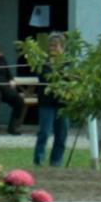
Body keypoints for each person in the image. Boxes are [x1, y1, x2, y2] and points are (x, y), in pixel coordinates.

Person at [33, 32, 70, 167]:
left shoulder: (69, 63)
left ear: (63, 47)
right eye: (51, 46)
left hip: (63, 103)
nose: (53, 48)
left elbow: (70, 80)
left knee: (61, 135)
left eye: (56, 46)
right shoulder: (43, 62)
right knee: (44, 132)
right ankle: (39, 160)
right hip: (47, 102)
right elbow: (44, 78)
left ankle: (56, 162)